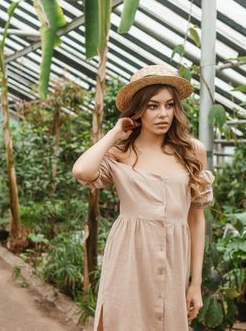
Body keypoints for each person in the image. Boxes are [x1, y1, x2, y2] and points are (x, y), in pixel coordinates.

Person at [72, 64, 216, 331]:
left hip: (174, 260)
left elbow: (196, 219)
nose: (163, 114)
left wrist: (195, 283)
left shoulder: (192, 151)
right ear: (138, 110)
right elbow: (82, 170)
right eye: (152, 106)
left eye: (169, 105)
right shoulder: (120, 152)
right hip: (129, 258)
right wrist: (114, 134)